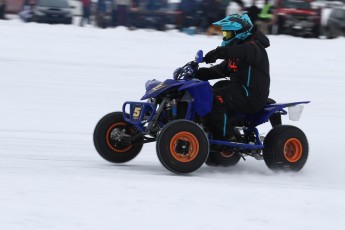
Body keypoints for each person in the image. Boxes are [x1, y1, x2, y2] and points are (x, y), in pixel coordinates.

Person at [194, 14, 270, 140]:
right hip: (241, 90)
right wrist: (197, 73)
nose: (225, 37)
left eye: (228, 34)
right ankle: (209, 127)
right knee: (209, 91)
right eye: (225, 34)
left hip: (252, 95)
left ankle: (225, 138)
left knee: (216, 99)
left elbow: (239, 51)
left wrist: (218, 53)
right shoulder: (238, 53)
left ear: (240, 33)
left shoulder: (254, 48)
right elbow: (219, 70)